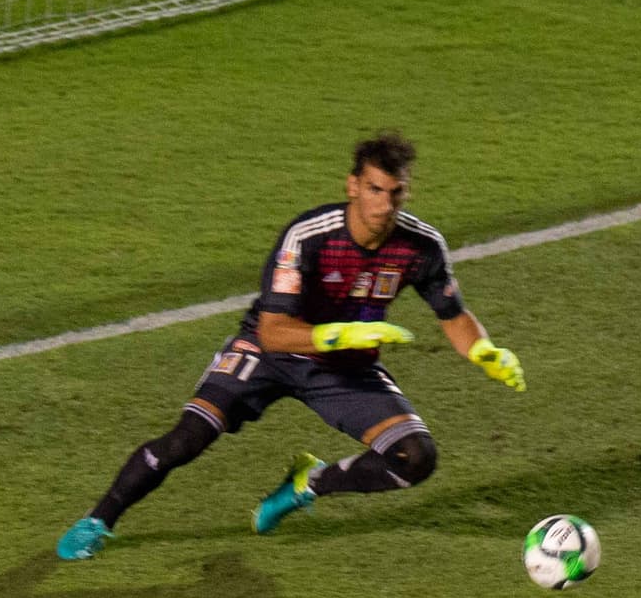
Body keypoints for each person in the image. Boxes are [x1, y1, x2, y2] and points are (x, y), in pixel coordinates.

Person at [56, 130, 525, 560]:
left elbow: (453, 315)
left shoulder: (421, 246)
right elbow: (272, 330)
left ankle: (307, 484)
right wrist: (338, 333)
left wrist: (484, 351)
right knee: (188, 438)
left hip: (345, 368)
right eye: (375, 190)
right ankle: (98, 519)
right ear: (353, 186)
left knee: (415, 457)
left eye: (396, 192)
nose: (384, 204)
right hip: (269, 354)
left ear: (408, 191)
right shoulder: (310, 238)